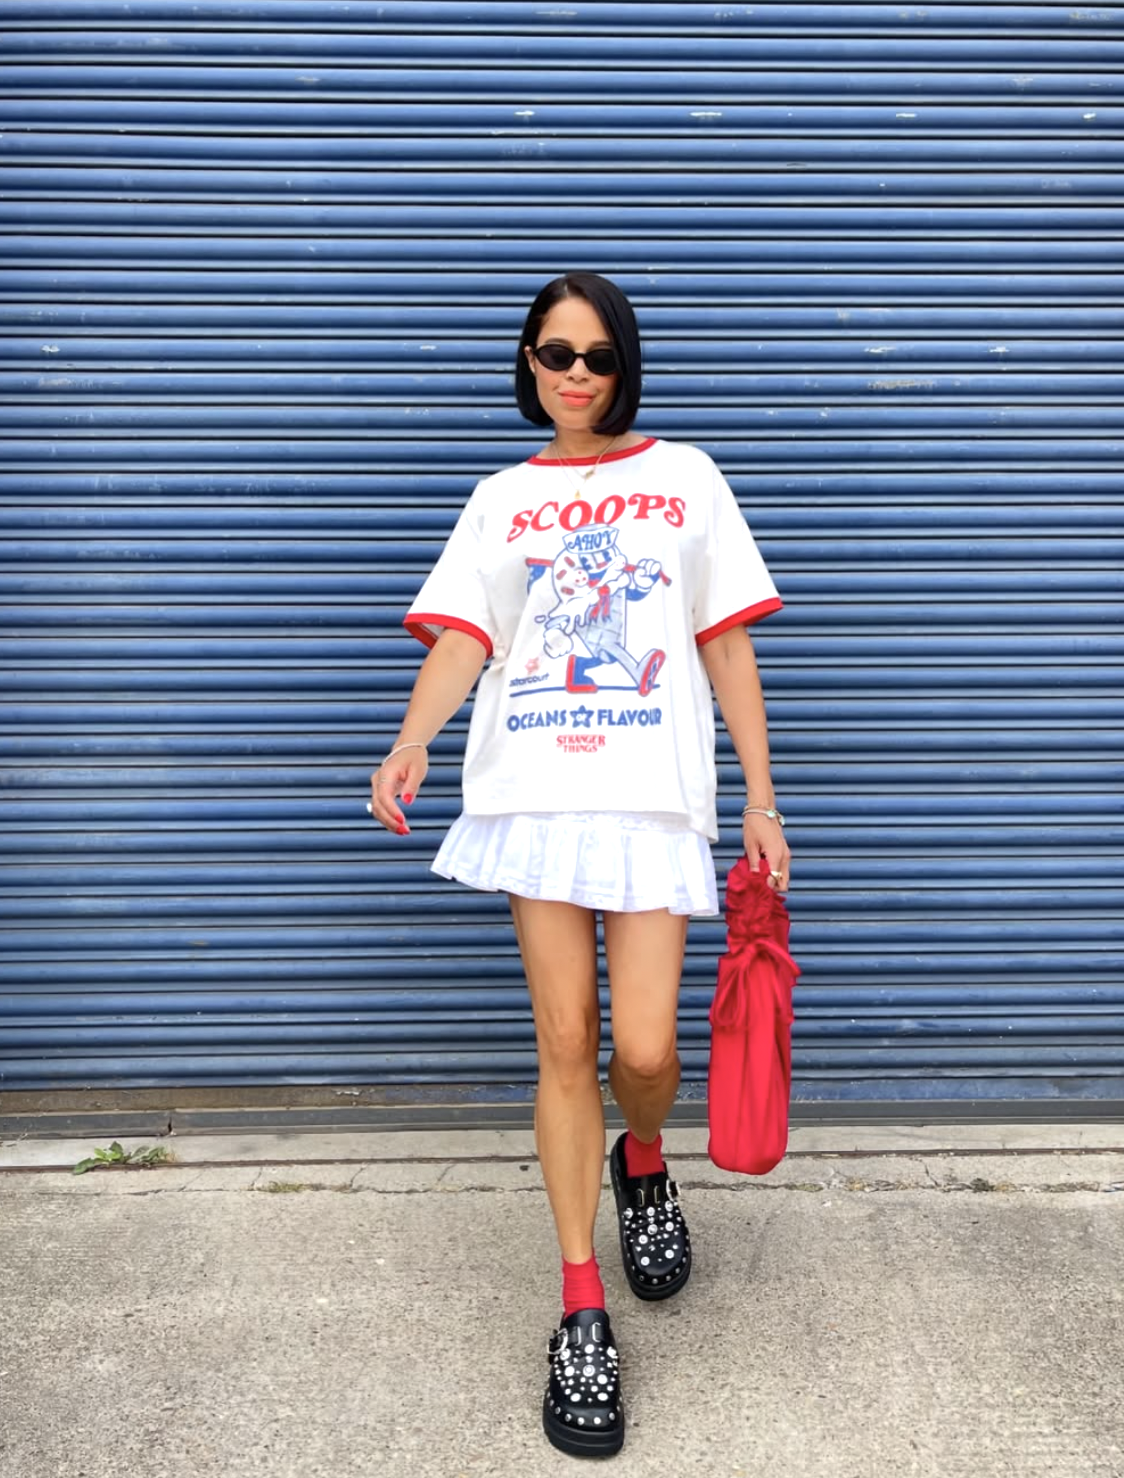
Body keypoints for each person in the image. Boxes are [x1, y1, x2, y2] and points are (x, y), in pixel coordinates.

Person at [368, 272, 789, 1459]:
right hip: (534, 796)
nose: (574, 375)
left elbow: (724, 641)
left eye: (596, 355)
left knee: (642, 1049)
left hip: (649, 803)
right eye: (553, 354)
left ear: (624, 364)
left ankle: (642, 1157)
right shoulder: (500, 497)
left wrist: (760, 797)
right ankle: (577, 1305)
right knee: (563, 1043)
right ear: (528, 363)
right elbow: (466, 634)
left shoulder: (686, 475)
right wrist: (411, 739)